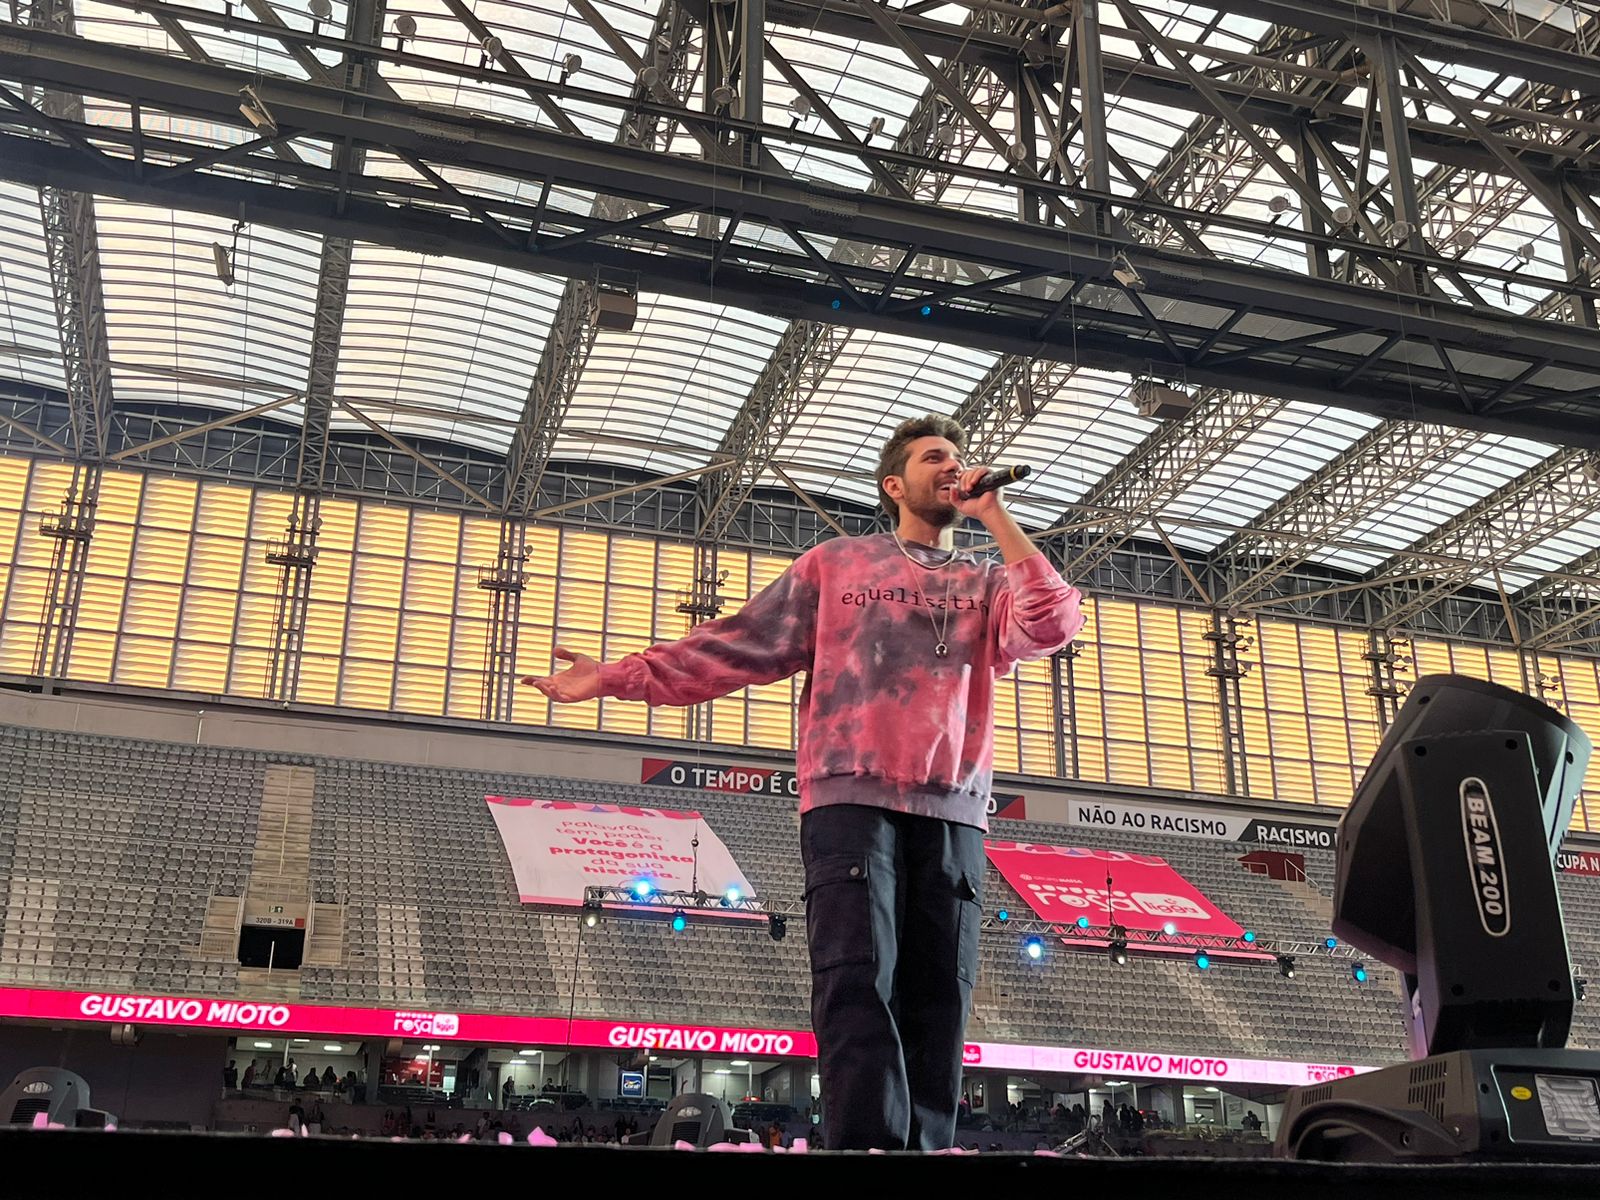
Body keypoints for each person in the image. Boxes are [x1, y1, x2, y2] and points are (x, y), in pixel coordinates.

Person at [526, 414, 1083, 1151]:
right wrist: (615, 677)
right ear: (894, 485)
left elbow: (1052, 623)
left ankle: (927, 1155)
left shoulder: (989, 581)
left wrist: (995, 514)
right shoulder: (837, 565)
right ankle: (863, 1151)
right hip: (849, 798)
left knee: (940, 995)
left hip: (954, 808)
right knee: (857, 980)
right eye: (933, 457)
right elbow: (736, 644)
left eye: (959, 457)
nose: (953, 467)